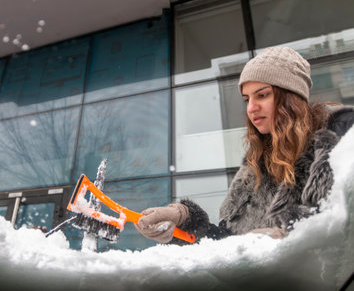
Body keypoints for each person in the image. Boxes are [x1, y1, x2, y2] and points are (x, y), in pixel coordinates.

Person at [135, 46, 354, 244]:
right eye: (247, 99)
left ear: (291, 97)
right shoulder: (256, 165)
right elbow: (227, 243)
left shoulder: (341, 131)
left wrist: (287, 236)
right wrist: (183, 220)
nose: (251, 108)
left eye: (262, 95)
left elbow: (344, 213)